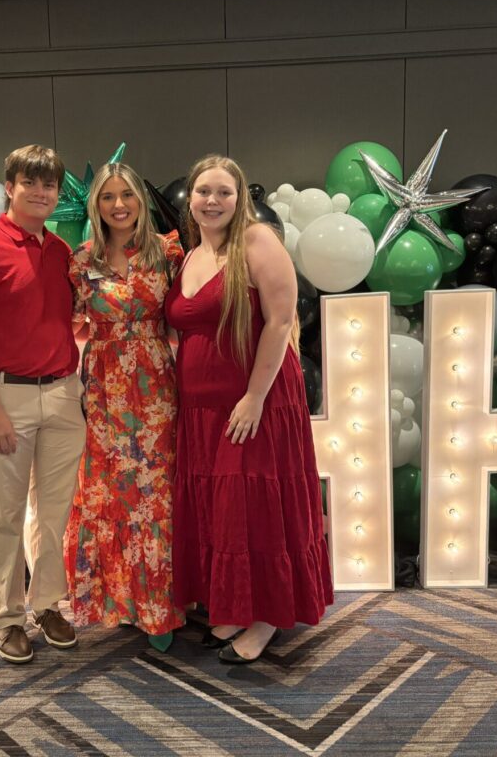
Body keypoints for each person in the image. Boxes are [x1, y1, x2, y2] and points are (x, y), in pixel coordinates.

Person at [164, 154, 334, 664]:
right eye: (203, 191)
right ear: (190, 199)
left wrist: (255, 397)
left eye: (224, 192)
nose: (212, 201)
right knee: (223, 512)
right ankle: (237, 605)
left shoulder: (257, 241)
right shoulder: (192, 255)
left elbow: (280, 322)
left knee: (256, 510)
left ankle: (267, 617)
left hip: (254, 400)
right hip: (202, 409)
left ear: (240, 199)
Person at [0, 144, 85, 664]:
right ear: (9, 187)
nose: (41, 193)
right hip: (5, 394)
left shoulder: (61, 252)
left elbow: (58, 320)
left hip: (63, 395)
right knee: (4, 515)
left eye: (49, 185)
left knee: (54, 515)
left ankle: (46, 604)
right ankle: (7, 617)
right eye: (30, 183)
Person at [65, 163, 186, 651]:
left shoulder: (168, 253)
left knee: (156, 494)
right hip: (104, 389)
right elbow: (70, 321)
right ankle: (119, 601)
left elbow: (185, 318)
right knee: (110, 492)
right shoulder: (81, 260)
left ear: (141, 200)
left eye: (127, 195)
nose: (119, 205)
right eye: (108, 197)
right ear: (96, 205)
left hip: (156, 387)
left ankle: (160, 607)